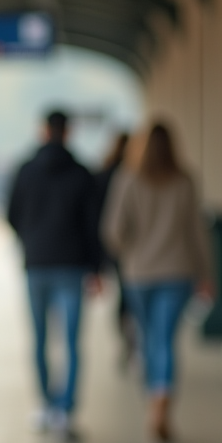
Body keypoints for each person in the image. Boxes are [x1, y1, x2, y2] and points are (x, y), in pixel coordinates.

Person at [101, 122, 212, 443]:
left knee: (149, 337)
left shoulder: (127, 178)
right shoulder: (185, 181)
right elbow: (197, 232)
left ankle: (154, 395)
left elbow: (113, 231)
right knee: (166, 339)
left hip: (139, 274)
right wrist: (206, 273)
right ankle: (161, 401)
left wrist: (129, 252)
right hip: (178, 272)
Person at [6, 110, 100, 441]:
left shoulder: (25, 171)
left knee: (40, 339)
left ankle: (45, 404)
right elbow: (93, 226)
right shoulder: (83, 173)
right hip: (73, 266)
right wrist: (97, 267)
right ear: (68, 132)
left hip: (37, 264)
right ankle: (65, 410)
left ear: (44, 131)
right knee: (72, 342)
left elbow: (12, 214)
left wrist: (31, 241)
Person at [93, 132, 136, 369]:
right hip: (134, 249)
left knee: (124, 296)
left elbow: (95, 214)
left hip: (115, 247)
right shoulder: (136, 176)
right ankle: (135, 342)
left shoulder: (103, 175)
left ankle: (126, 340)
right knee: (132, 296)